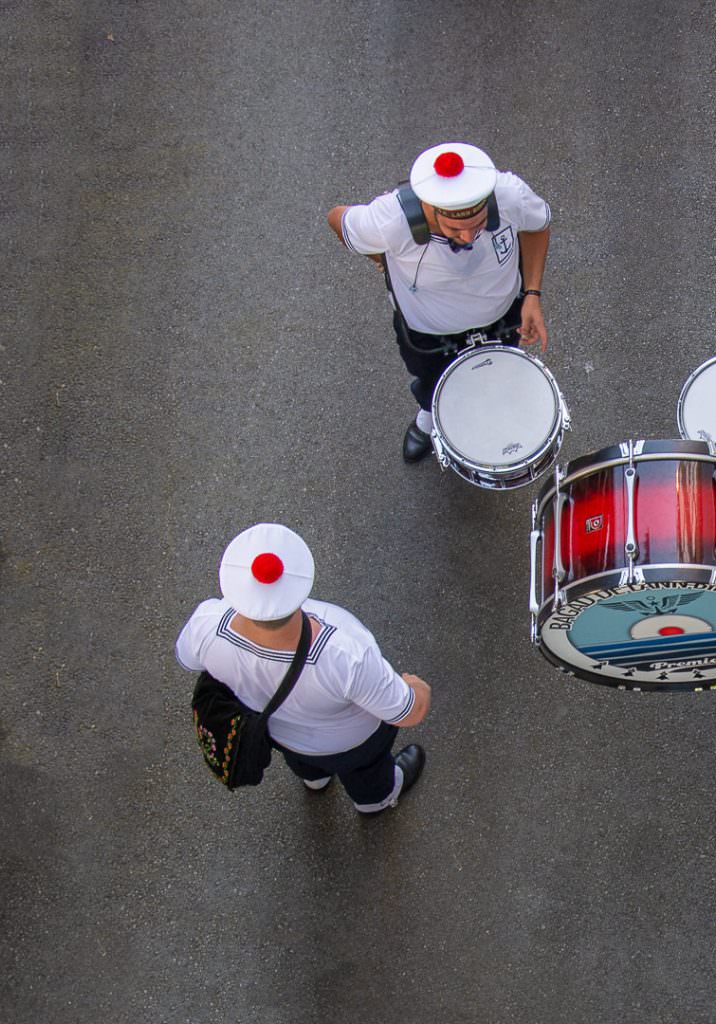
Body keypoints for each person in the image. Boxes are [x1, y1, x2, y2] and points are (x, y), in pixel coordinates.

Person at [176, 523, 431, 814]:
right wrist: (417, 688)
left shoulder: (207, 625)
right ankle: (375, 801)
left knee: (302, 761)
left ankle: (315, 780)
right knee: (368, 772)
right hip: (354, 741)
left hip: (283, 735)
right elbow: (408, 712)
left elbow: (188, 660)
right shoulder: (344, 651)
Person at [327, 141, 552, 462]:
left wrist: (532, 294)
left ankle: (489, 415)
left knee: (499, 371)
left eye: (478, 225)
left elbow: (538, 227)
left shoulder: (509, 195)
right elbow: (337, 218)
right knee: (432, 378)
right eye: (455, 229)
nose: (470, 237)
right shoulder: (389, 219)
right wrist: (380, 256)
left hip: (504, 315)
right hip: (429, 332)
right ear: (429, 208)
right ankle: (429, 417)